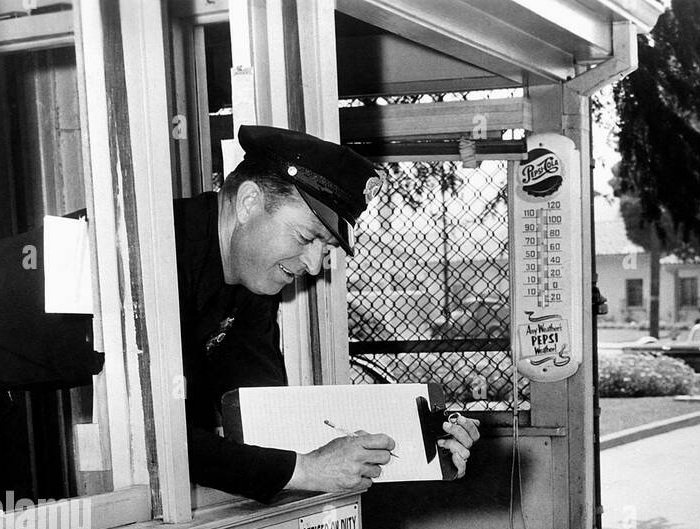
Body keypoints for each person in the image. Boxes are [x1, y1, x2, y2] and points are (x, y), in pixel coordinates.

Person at [174, 124, 480, 502]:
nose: (315, 266)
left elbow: (266, 420)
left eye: (326, 246)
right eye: (306, 238)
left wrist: (424, 443)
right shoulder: (156, 251)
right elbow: (155, 436)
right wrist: (306, 470)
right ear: (248, 203)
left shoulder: (252, 281)